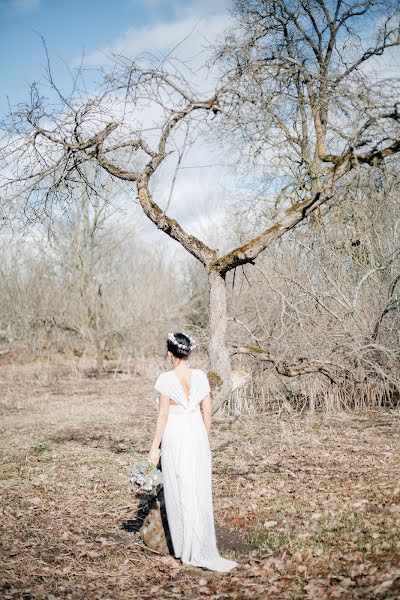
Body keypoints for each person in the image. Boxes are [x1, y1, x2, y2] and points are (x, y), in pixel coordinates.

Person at [148, 332, 238, 573]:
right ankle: (196, 544)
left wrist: (154, 448)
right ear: (187, 353)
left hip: (176, 438)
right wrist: (202, 437)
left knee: (181, 490)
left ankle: (190, 549)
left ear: (170, 354)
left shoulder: (166, 379)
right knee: (196, 490)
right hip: (197, 438)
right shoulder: (200, 376)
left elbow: (163, 416)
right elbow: (207, 411)